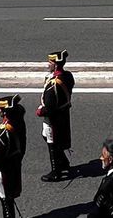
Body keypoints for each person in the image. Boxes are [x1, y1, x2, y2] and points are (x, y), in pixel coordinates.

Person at [38, 49, 74, 182]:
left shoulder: (54, 84)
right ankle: (63, 161)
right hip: (63, 113)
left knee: (51, 141)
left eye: (50, 62)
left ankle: (56, 171)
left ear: (56, 64)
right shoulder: (68, 76)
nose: (48, 64)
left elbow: (49, 108)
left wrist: (40, 112)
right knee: (50, 137)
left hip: (54, 117)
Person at [0, 94, 25, 218]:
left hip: (3, 168)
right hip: (14, 162)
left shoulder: (4, 131)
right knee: (9, 194)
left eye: (0, 109)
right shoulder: (18, 122)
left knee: (5, 199)